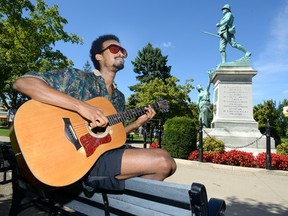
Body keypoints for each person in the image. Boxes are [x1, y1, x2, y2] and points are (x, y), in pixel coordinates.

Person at [13, 34, 176, 191]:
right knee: (162, 161)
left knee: (169, 164)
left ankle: (123, 205)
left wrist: (136, 124)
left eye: (123, 51)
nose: (121, 53)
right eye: (114, 49)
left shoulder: (119, 98)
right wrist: (81, 107)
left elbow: (111, 138)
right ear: (99, 56)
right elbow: (23, 83)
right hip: (77, 159)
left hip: (102, 156)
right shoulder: (77, 78)